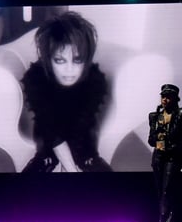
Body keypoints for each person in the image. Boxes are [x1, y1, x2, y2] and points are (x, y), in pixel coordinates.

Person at [19, 10, 112, 172]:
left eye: (77, 60)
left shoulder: (95, 81)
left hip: (84, 150)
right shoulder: (36, 78)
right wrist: (69, 168)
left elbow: (81, 129)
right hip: (46, 150)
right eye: (60, 60)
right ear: (48, 59)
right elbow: (49, 128)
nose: (69, 70)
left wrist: (71, 167)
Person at [147, 83, 182, 222]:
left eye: (168, 96)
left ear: (175, 98)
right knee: (160, 193)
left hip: (173, 157)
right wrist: (157, 138)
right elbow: (150, 139)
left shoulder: (181, 113)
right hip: (158, 157)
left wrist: (170, 147)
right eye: (163, 96)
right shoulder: (154, 116)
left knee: (167, 192)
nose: (165, 99)